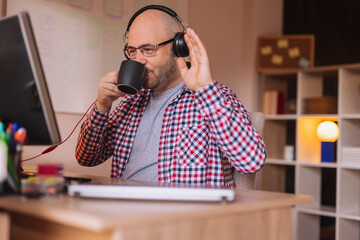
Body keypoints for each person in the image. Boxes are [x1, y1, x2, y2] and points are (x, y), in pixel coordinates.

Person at [75, 5, 266, 188]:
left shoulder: (214, 97)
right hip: (127, 211)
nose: (138, 60)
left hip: (183, 216)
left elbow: (251, 161)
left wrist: (205, 90)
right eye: (132, 51)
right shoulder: (130, 102)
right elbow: (87, 158)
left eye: (148, 50)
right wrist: (102, 106)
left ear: (178, 48)